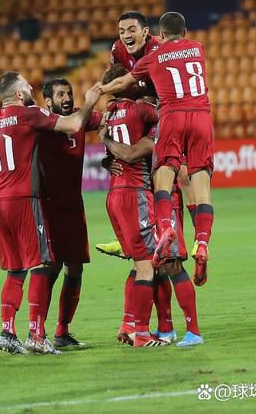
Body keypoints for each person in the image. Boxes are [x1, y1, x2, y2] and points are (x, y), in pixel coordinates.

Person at [0, 71, 101, 355]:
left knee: (15, 268)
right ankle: (37, 334)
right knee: (40, 264)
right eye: (26, 84)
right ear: (17, 94)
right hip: (24, 199)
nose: (30, 87)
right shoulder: (29, 114)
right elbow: (74, 123)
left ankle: (7, 331)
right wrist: (89, 101)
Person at [100, 12, 214, 286]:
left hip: (164, 115)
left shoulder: (154, 53)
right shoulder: (196, 47)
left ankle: (166, 230)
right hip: (195, 116)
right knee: (195, 180)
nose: (126, 36)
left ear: (152, 33)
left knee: (171, 175)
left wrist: (98, 91)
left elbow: (122, 82)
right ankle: (201, 241)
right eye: (121, 31)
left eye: (131, 30)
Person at [100, 108, 203, 348]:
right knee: (151, 266)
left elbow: (185, 178)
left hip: (169, 203)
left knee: (172, 265)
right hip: (152, 204)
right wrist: (108, 159)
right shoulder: (148, 128)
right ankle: (164, 328)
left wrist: (199, 231)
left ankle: (193, 331)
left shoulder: (166, 132)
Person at [97, 64, 167, 348]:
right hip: (135, 193)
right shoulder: (142, 111)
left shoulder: (108, 115)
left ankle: (128, 325)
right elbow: (167, 116)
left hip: (113, 195)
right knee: (148, 265)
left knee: (136, 265)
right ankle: (142, 333)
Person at [38, 77, 104, 348]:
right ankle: (36, 330)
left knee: (75, 266)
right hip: (48, 206)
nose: (66, 98)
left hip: (74, 206)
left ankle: (62, 331)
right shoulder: (39, 122)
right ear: (48, 101)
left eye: (69, 93)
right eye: (60, 95)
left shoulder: (82, 116)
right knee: (50, 266)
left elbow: (111, 118)